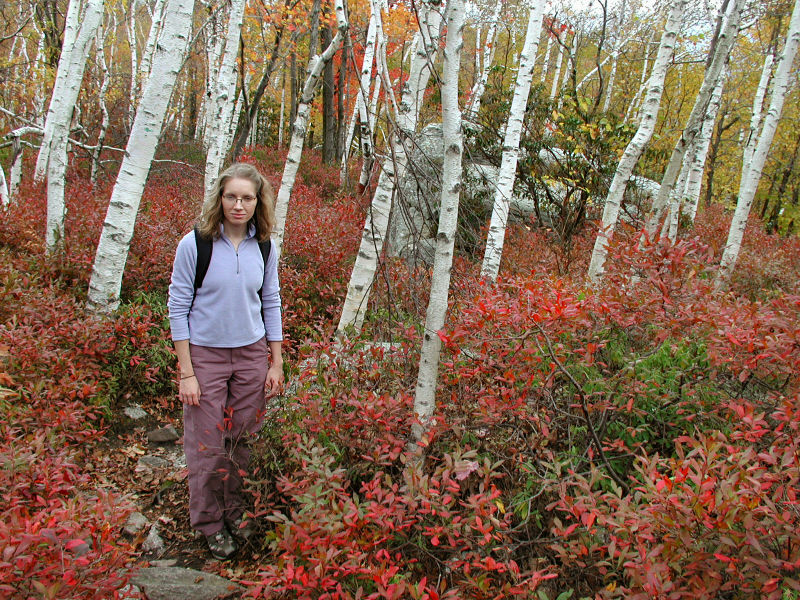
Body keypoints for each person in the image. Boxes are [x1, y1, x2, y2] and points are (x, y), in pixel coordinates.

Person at [167, 162, 284, 560]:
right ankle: (209, 521)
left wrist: (275, 361)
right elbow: (178, 306)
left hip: (252, 353)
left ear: (258, 202)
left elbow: (271, 301)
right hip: (205, 356)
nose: (239, 205)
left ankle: (237, 509)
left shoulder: (265, 245)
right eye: (231, 196)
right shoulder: (195, 244)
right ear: (220, 198)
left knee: (245, 441)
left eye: (247, 198)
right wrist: (187, 373)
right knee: (207, 445)